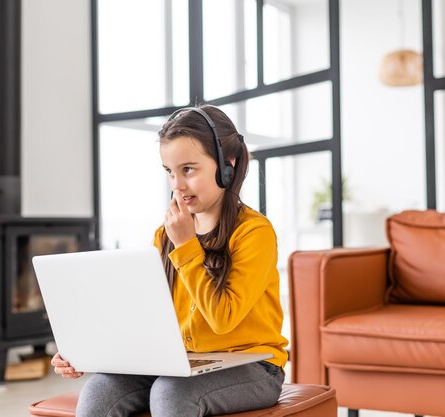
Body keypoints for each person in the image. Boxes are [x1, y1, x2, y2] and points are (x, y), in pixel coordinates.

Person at [51, 105, 289, 417]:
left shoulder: (254, 232)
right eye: (169, 172)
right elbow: (146, 317)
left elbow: (223, 318)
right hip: (181, 361)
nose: (177, 184)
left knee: (171, 391)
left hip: (254, 366)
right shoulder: (164, 236)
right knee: (100, 391)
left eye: (188, 169)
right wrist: (87, 353)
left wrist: (187, 245)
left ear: (226, 165)